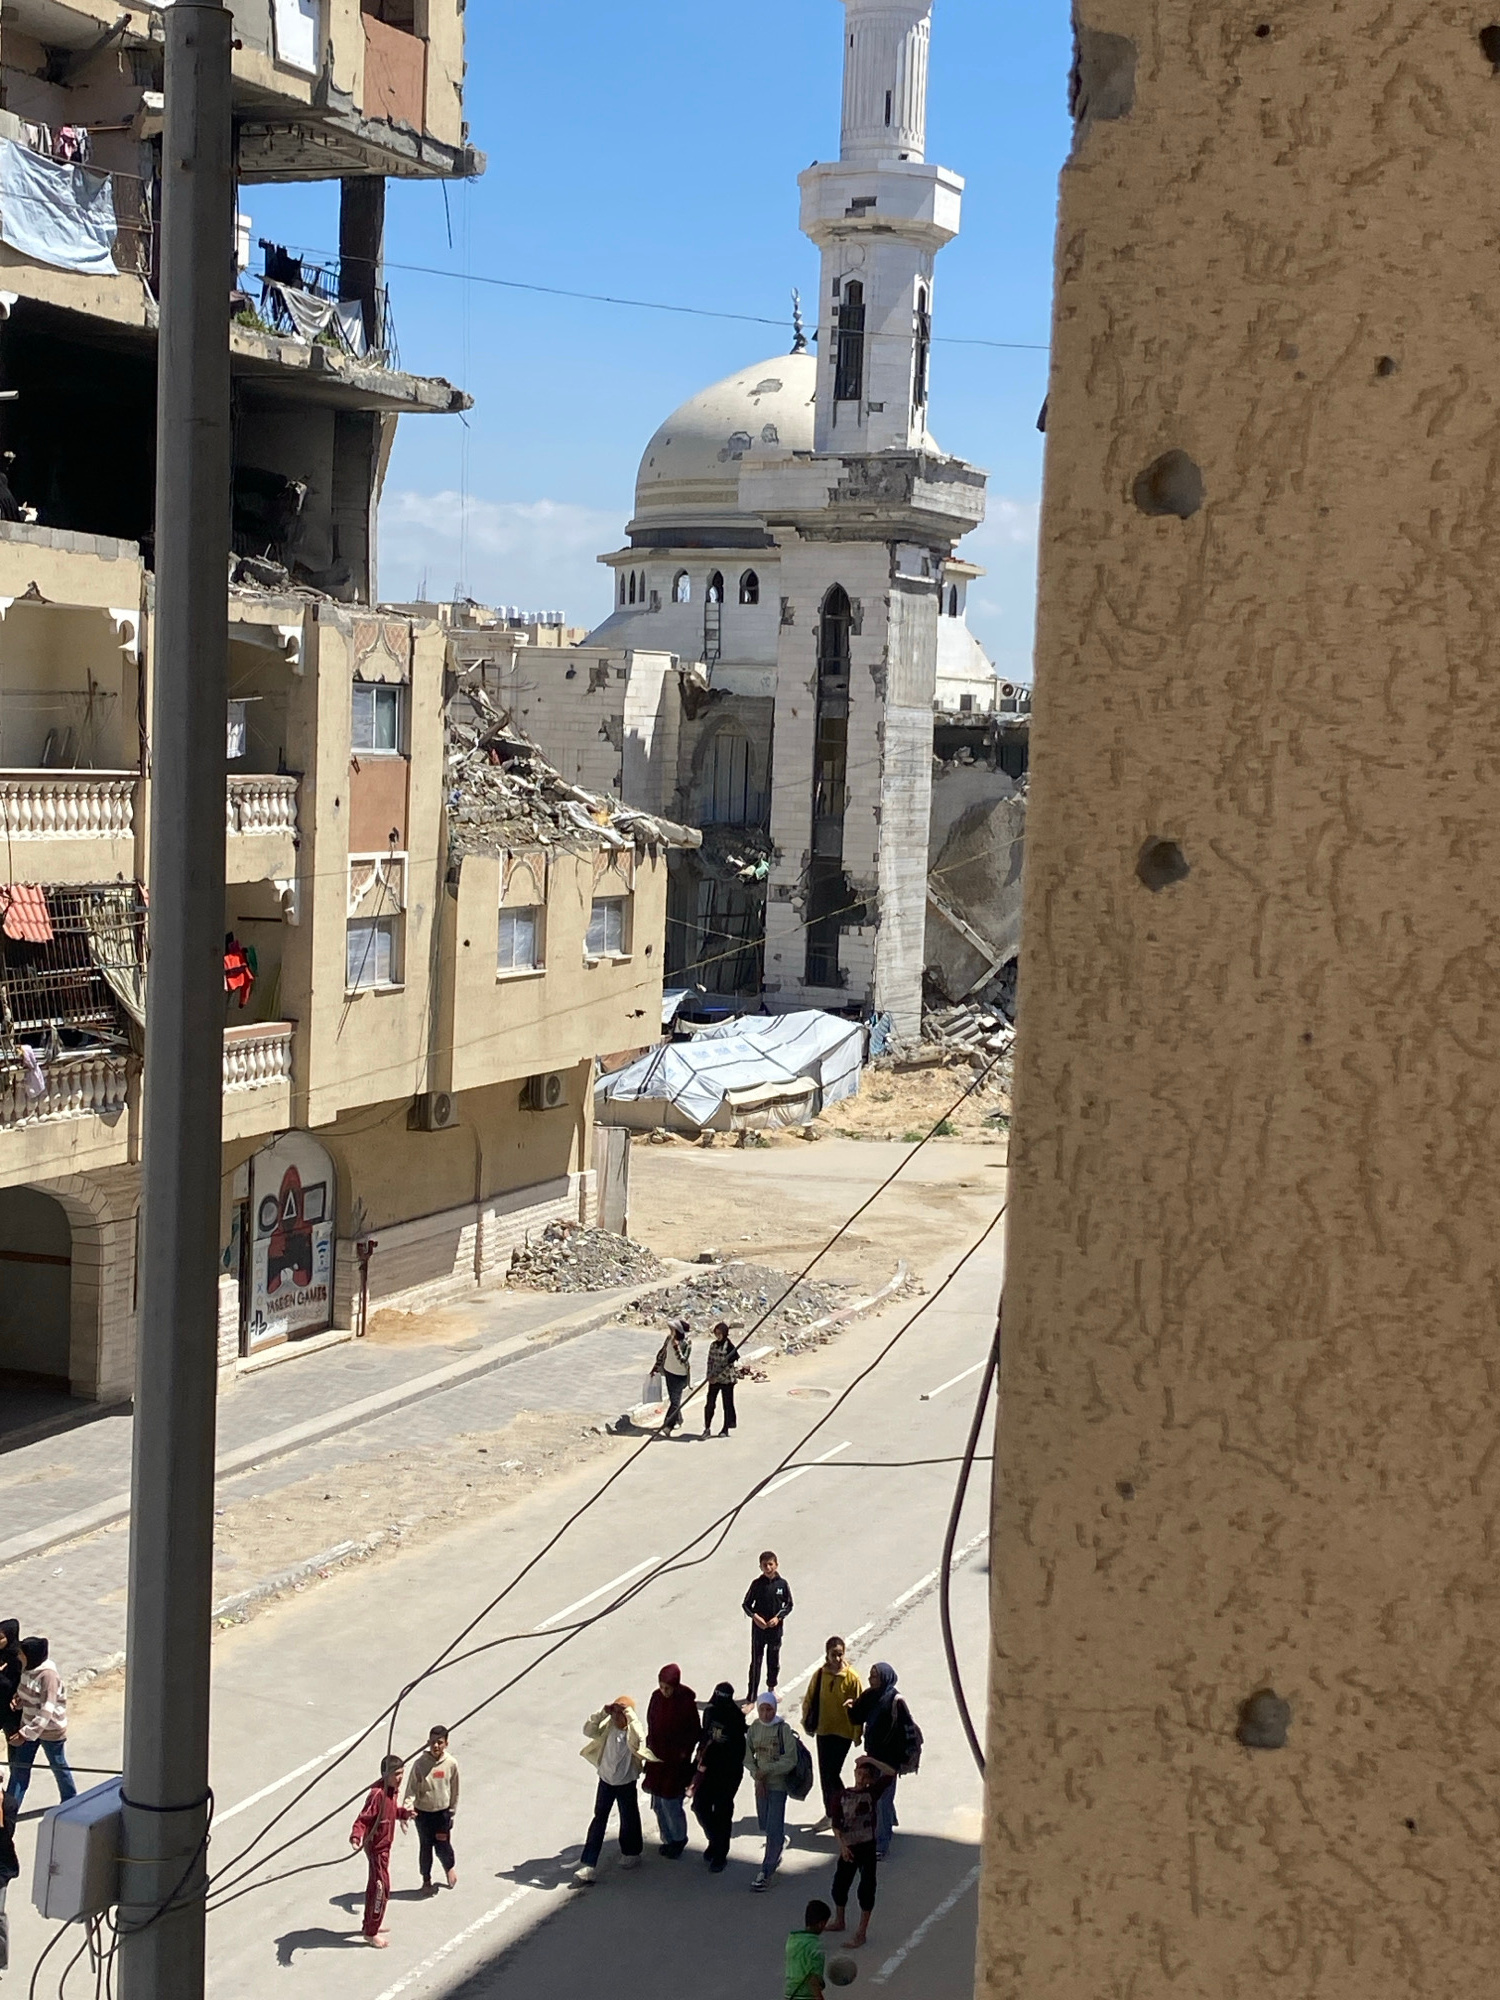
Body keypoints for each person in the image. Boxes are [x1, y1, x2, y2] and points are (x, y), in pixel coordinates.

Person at [574, 1695, 646, 1884]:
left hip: (626, 1783)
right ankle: (588, 1864)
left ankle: (632, 1852)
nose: (615, 1717)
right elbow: (588, 1730)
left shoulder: (632, 1731)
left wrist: (629, 1714)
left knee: (629, 1817)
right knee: (599, 1819)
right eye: (614, 1713)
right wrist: (602, 1712)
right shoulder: (608, 1728)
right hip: (606, 1781)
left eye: (619, 1713)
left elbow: (640, 1739)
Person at [849, 1662, 917, 1859]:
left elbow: (906, 1731)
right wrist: (851, 1707)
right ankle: (888, 1821)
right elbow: (857, 1717)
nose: (870, 1679)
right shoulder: (870, 1695)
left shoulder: (895, 1701)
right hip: (872, 1756)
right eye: (870, 1675)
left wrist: (901, 1760)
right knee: (879, 1798)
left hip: (889, 1760)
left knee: (881, 1801)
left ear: (885, 1678)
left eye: (875, 1676)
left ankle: (882, 1843)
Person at [4, 1638, 76, 1815]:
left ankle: (71, 1801)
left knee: (58, 1765)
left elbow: (46, 1711)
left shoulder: (48, 1676)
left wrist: (25, 1733)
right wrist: (19, 1701)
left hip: (49, 1731)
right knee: (20, 1770)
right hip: (29, 1727)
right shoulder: (27, 1670)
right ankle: (9, 1811)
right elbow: (27, 1693)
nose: (19, 1656)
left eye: (22, 1654)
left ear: (31, 1656)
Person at [349, 1754, 412, 1947]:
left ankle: (370, 1924)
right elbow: (363, 1818)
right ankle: (371, 1933)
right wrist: (356, 1836)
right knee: (381, 1888)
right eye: (396, 1774)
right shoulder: (377, 1794)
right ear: (385, 1775)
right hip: (377, 1849)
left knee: (373, 1886)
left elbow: (390, 1811)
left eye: (401, 1773)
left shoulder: (392, 1791)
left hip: (385, 1847)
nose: (400, 1778)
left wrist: (404, 1813)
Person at [801, 1637, 863, 1820]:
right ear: (826, 1654)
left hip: (843, 1733)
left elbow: (860, 1707)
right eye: (833, 1654)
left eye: (840, 1654)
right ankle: (831, 1813)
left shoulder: (852, 1678)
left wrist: (857, 1734)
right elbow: (809, 1699)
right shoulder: (820, 1675)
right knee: (825, 1775)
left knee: (832, 1774)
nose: (837, 1658)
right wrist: (807, 1722)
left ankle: (844, 1806)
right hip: (824, 1730)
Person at [745, 1692, 800, 1890]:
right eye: (762, 1709)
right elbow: (747, 1757)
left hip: (778, 1786)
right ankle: (778, 1843)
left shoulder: (783, 1730)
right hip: (761, 1786)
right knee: (766, 1824)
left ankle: (766, 1871)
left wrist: (767, 1771)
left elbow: (790, 1760)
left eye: (769, 1709)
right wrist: (757, 1775)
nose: (766, 1714)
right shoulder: (754, 1729)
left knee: (773, 1826)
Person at [642, 1664, 699, 1857]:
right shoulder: (656, 1698)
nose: (664, 1691)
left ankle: (678, 1839)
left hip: (675, 1764)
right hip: (657, 1760)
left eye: (667, 1688)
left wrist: (683, 1753)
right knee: (658, 1803)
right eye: (661, 1687)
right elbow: (651, 1722)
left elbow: (694, 1732)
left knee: (671, 1803)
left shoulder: (685, 1703)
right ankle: (667, 1838)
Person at [691, 1681, 747, 1873]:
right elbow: (705, 1736)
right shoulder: (709, 1712)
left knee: (723, 1812)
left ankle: (721, 1853)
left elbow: (739, 1749)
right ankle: (714, 1840)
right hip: (709, 1769)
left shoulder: (736, 1718)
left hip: (729, 1773)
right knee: (700, 1806)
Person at [828, 1757, 881, 1948]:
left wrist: (869, 1759)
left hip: (867, 1847)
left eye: (866, 1775)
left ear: (871, 1779)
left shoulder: (872, 1793)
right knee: (839, 1886)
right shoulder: (842, 1796)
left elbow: (891, 1773)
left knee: (866, 1889)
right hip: (849, 1847)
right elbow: (836, 1824)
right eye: (859, 1773)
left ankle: (861, 1932)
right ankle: (840, 1920)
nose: (861, 1778)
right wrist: (842, 1846)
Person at [403, 1724, 460, 1894]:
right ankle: (426, 1880)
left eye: (440, 1742)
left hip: (442, 1814)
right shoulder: (419, 1764)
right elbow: (411, 1789)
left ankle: (449, 1867)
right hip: (423, 1814)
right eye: (433, 1742)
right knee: (425, 1846)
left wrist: (452, 1811)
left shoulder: (451, 1764)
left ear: (446, 1744)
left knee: (443, 1845)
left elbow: (455, 1789)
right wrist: (407, 1810)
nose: (436, 1746)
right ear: (428, 1742)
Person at [743, 1550, 793, 1702]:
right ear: (760, 1567)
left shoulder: (782, 1584)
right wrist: (755, 1617)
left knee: (773, 1661)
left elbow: (789, 1604)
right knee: (756, 1662)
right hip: (759, 1631)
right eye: (764, 1565)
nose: (768, 1568)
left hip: (775, 1631)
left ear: (776, 1565)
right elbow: (746, 1605)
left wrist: (778, 1618)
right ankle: (751, 1696)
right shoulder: (757, 1584)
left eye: (770, 1564)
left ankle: (771, 1689)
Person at [785, 1898, 832, 2000]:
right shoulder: (816, 1946)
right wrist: (819, 1997)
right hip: (806, 1995)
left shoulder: (793, 1940)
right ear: (821, 1924)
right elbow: (813, 1977)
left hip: (790, 1993)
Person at [655, 1318, 693, 1435]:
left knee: (675, 1402)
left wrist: (676, 1348)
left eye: (673, 1329)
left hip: (680, 1375)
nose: (670, 1330)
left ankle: (667, 1425)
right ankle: (678, 1419)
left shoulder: (686, 1342)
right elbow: (662, 1353)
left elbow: (683, 1360)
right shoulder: (669, 1338)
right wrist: (655, 1367)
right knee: (674, 1400)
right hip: (668, 1372)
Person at [703, 1322, 741, 1436]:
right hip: (714, 1379)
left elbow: (728, 1364)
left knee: (727, 1405)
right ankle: (707, 1428)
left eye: (720, 1333)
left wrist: (717, 1376)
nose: (718, 1336)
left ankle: (725, 1428)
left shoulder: (729, 1347)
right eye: (716, 1333)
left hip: (726, 1380)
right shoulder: (713, 1345)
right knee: (710, 1404)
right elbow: (710, 1361)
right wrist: (709, 1376)